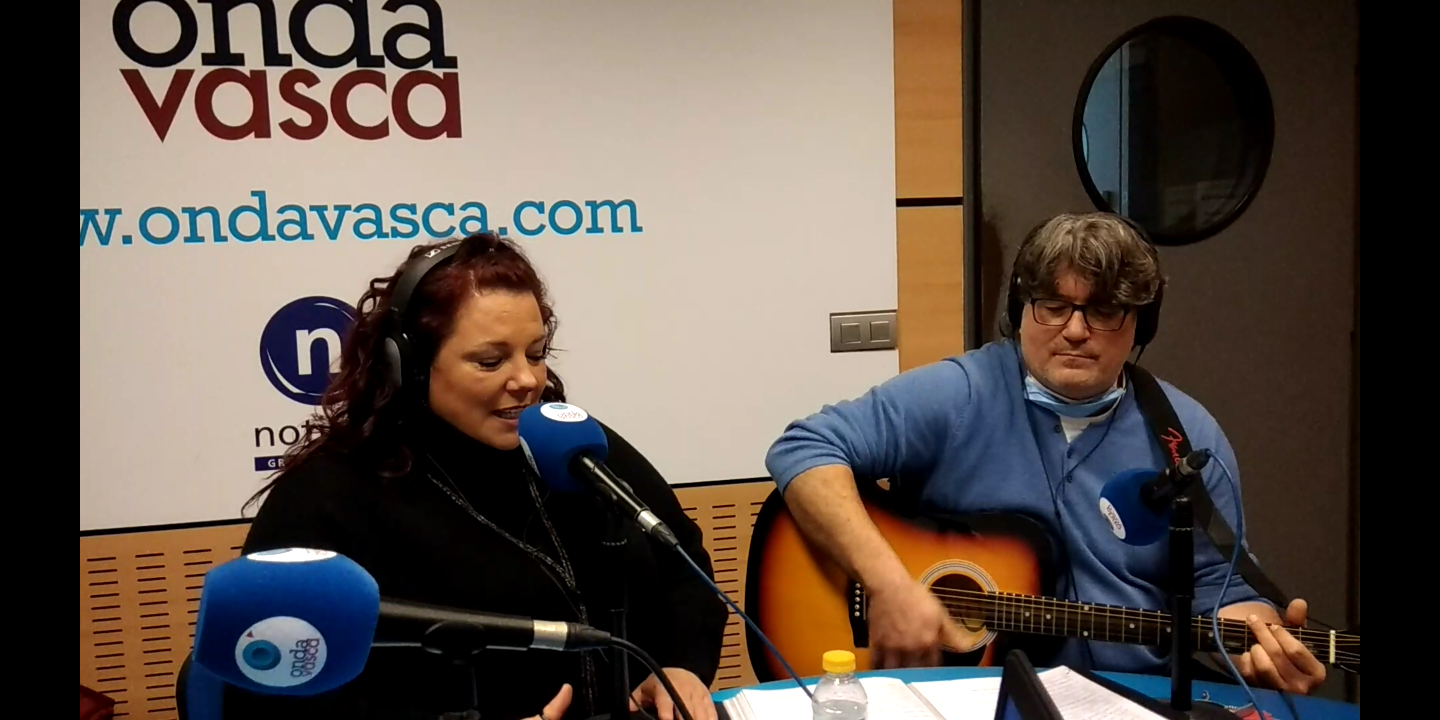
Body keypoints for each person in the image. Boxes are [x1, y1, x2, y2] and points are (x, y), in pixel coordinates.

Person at [764, 212, 1328, 695]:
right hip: (969, 694)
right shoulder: (960, 394)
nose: (1075, 330)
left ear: (1140, 325)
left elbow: (1222, 585)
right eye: (1053, 306)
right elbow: (804, 448)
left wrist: (1258, 641)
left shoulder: (1186, 436)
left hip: (1134, 697)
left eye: (1104, 310)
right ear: (1021, 311)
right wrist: (887, 583)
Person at [228, 231, 727, 720]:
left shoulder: (571, 445)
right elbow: (274, 693)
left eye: (536, 353)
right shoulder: (329, 496)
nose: (527, 380)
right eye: (490, 361)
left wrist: (681, 665)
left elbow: (684, 562)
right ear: (410, 365)